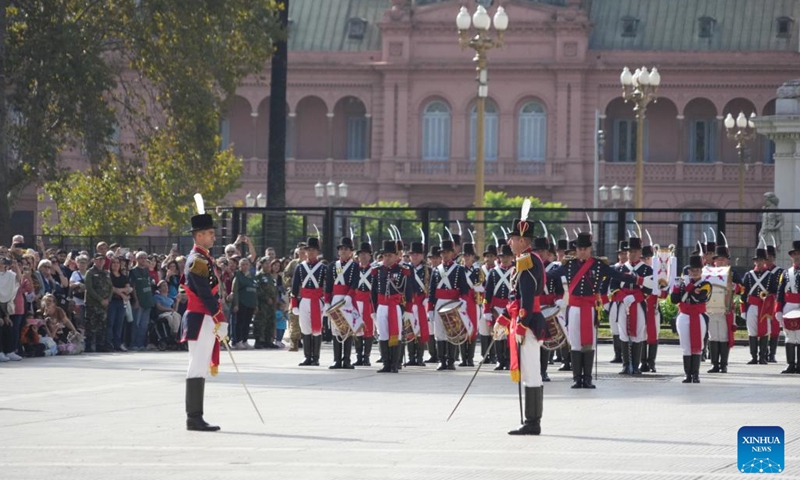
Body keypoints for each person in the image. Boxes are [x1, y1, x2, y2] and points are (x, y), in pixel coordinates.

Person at [547, 232, 651, 389]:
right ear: (576, 250)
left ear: (590, 249)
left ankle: (587, 378)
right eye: (580, 248)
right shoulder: (568, 265)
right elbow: (549, 276)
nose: (582, 251)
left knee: (589, 344)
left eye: (585, 248)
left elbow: (618, 275)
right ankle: (577, 378)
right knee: (575, 343)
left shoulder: (598, 265)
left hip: (589, 308)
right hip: (574, 308)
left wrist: (639, 280)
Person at [494, 216, 546, 436]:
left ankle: (533, 422)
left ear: (523, 241)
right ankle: (530, 420)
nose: (509, 243)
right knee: (528, 371)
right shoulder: (525, 259)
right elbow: (516, 298)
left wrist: (522, 324)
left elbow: (526, 298)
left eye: (513, 239)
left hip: (529, 322)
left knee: (532, 372)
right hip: (525, 320)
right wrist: (504, 318)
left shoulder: (527, 260)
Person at [180, 196, 227, 432]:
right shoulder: (197, 260)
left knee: (199, 366)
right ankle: (194, 417)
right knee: (197, 366)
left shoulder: (203, 258)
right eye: (210, 233)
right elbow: (205, 294)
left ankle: (196, 416)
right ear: (199, 236)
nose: (213, 237)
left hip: (205, 318)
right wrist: (220, 317)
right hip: (201, 318)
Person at [611, 236, 654, 375]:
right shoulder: (620, 269)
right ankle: (625, 365)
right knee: (623, 332)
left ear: (640, 252)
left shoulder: (647, 270)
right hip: (623, 303)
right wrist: (624, 297)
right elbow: (614, 287)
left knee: (639, 332)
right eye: (630, 251)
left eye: (635, 251)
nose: (632, 254)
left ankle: (635, 365)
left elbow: (649, 290)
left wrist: (635, 297)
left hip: (639, 303)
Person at [371, 240, 413, 373]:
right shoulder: (377, 271)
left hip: (396, 306)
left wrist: (408, 310)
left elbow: (408, 291)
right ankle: (386, 363)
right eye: (385, 255)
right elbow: (373, 292)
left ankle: (395, 363)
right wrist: (373, 310)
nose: (387, 258)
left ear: (396, 256)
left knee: (396, 334)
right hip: (382, 305)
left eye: (390, 255)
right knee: (382, 334)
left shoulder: (403, 271)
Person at [671, 255, 712, 383]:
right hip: (684, 315)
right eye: (692, 270)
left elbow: (700, 297)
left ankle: (696, 374)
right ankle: (687, 374)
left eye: (697, 270)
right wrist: (677, 287)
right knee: (685, 345)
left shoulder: (706, 284)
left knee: (698, 344)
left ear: (701, 271)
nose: (694, 272)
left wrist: (689, 286)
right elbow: (674, 300)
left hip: (698, 315)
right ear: (688, 271)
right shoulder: (683, 284)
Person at [324, 237, 359, 369]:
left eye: (346, 249)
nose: (343, 251)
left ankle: (347, 360)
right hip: (335, 299)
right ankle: (337, 359)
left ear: (351, 252)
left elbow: (355, 282)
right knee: (336, 329)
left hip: (347, 299)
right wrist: (327, 301)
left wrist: (350, 295)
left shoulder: (355, 266)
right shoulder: (332, 266)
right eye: (341, 249)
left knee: (347, 329)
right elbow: (328, 285)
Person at [291, 238, 327, 366]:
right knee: (305, 328)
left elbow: (327, 287)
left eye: (313, 250)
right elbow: (295, 286)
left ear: (317, 252)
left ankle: (316, 357)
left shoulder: (323, 268)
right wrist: (294, 303)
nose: (310, 252)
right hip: (305, 300)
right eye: (308, 250)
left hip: (317, 300)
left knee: (317, 330)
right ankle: (307, 356)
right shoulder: (300, 267)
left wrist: (327, 302)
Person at [706, 244, 741, 373]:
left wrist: (734, 286)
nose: (720, 261)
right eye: (718, 259)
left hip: (726, 308)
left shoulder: (732, 273)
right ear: (714, 260)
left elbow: (742, 289)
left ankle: (724, 364)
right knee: (713, 336)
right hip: (711, 308)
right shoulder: (708, 271)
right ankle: (714, 364)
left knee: (724, 336)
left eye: (723, 259)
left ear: (728, 260)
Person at [742, 247, 779, 365]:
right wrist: (744, 309)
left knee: (765, 331)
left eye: (762, 260)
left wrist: (768, 298)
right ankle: (753, 356)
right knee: (752, 331)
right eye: (757, 260)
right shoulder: (748, 275)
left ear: (765, 261)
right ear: (754, 261)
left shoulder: (770, 275)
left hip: (765, 306)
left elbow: (774, 291)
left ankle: (762, 356)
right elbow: (744, 292)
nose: (759, 262)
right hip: (752, 305)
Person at [484, 243, 515, 371]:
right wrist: (486, 310)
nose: (505, 259)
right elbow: (488, 292)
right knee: (498, 334)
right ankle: (499, 360)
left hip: (510, 308)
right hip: (496, 308)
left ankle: (508, 360)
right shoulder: (493, 273)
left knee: (509, 335)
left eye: (508, 256)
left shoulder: (516, 271)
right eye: (503, 256)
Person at [776, 240, 800, 374]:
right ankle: (790, 364)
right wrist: (778, 309)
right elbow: (780, 293)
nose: (797, 256)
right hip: (789, 306)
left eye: (799, 253)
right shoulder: (786, 273)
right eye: (795, 254)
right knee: (789, 335)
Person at [405, 241, 429, 367]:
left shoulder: (427, 270)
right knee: (409, 329)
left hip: (421, 303)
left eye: (417, 254)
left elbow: (430, 285)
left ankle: (419, 357)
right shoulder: (405, 269)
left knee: (420, 331)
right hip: (409, 302)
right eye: (412, 254)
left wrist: (427, 298)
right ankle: (411, 356)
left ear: (422, 256)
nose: (414, 256)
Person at [84, 253, 113, 352]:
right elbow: (89, 288)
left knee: (102, 326)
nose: (100, 261)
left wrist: (108, 299)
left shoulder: (106, 273)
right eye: (98, 259)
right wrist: (100, 299)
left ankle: (100, 346)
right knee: (91, 326)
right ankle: (89, 346)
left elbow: (110, 288)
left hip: (104, 305)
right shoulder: (90, 272)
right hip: (93, 304)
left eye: (102, 260)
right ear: (94, 260)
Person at [353, 242, 375, 366]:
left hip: (368, 301)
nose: (363, 256)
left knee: (368, 329)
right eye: (361, 254)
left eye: (365, 254)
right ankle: (358, 356)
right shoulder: (355, 269)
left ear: (370, 256)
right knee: (357, 329)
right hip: (356, 301)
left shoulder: (374, 270)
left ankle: (366, 356)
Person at [129, 252, 156, 351]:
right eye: (141, 258)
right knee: (136, 323)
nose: (143, 260)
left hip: (147, 300)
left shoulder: (147, 271)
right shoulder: (133, 271)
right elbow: (133, 287)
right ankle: (134, 344)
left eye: (145, 258)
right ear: (137, 259)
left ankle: (141, 344)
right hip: (139, 301)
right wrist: (136, 300)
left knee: (144, 325)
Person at [283, 243, 306, 351]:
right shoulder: (293, 264)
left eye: (304, 249)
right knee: (293, 318)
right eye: (300, 249)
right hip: (295, 295)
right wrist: (291, 286)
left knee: (306, 318)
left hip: (308, 295)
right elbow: (286, 275)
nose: (302, 251)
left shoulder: (310, 264)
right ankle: (294, 342)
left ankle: (307, 340)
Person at [231, 257, 257, 349]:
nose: (245, 266)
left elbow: (255, 291)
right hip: (242, 303)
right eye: (242, 264)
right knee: (240, 322)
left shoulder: (252, 276)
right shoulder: (238, 275)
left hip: (251, 303)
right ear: (239, 266)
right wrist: (236, 304)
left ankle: (245, 340)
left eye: (246, 264)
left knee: (247, 322)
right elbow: (235, 290)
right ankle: (238, 340)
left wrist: (255, 304)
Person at [253, 257, 278, 349]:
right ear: (262, 265)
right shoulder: (258, 276)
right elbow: (257, 289)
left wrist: (276, 299)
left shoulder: (271, 276)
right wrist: (266, 298)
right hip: (262, 304)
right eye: (266, 264)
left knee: (271, 322)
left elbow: (274, 289)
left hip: (272, 304)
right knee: (260, 322)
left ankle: (269, 340)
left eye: (269, 263)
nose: (268, 266)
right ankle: (259, 341)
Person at [107, 256, 131, 352]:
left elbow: (128, 288)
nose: (116, 264)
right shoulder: (108, 276)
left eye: (117, 263)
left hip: (121, 303)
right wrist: (122, 294)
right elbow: (111, 288)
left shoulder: (123, 276)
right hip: (112, 301)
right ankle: (109, 343)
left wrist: (120, 291)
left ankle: (118, 343)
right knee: (110, 323)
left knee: (119, 323)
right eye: (114, 263)